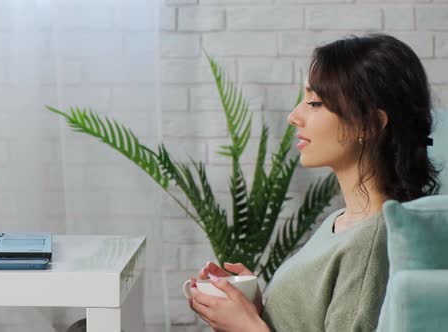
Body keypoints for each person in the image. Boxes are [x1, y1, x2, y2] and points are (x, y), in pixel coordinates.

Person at [186, 33, 441, 332]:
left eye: (315, 102)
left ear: (370, 124)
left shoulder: (370, 244)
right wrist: (254, 308)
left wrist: (248, 327)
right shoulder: (341, 222)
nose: (295, 116)